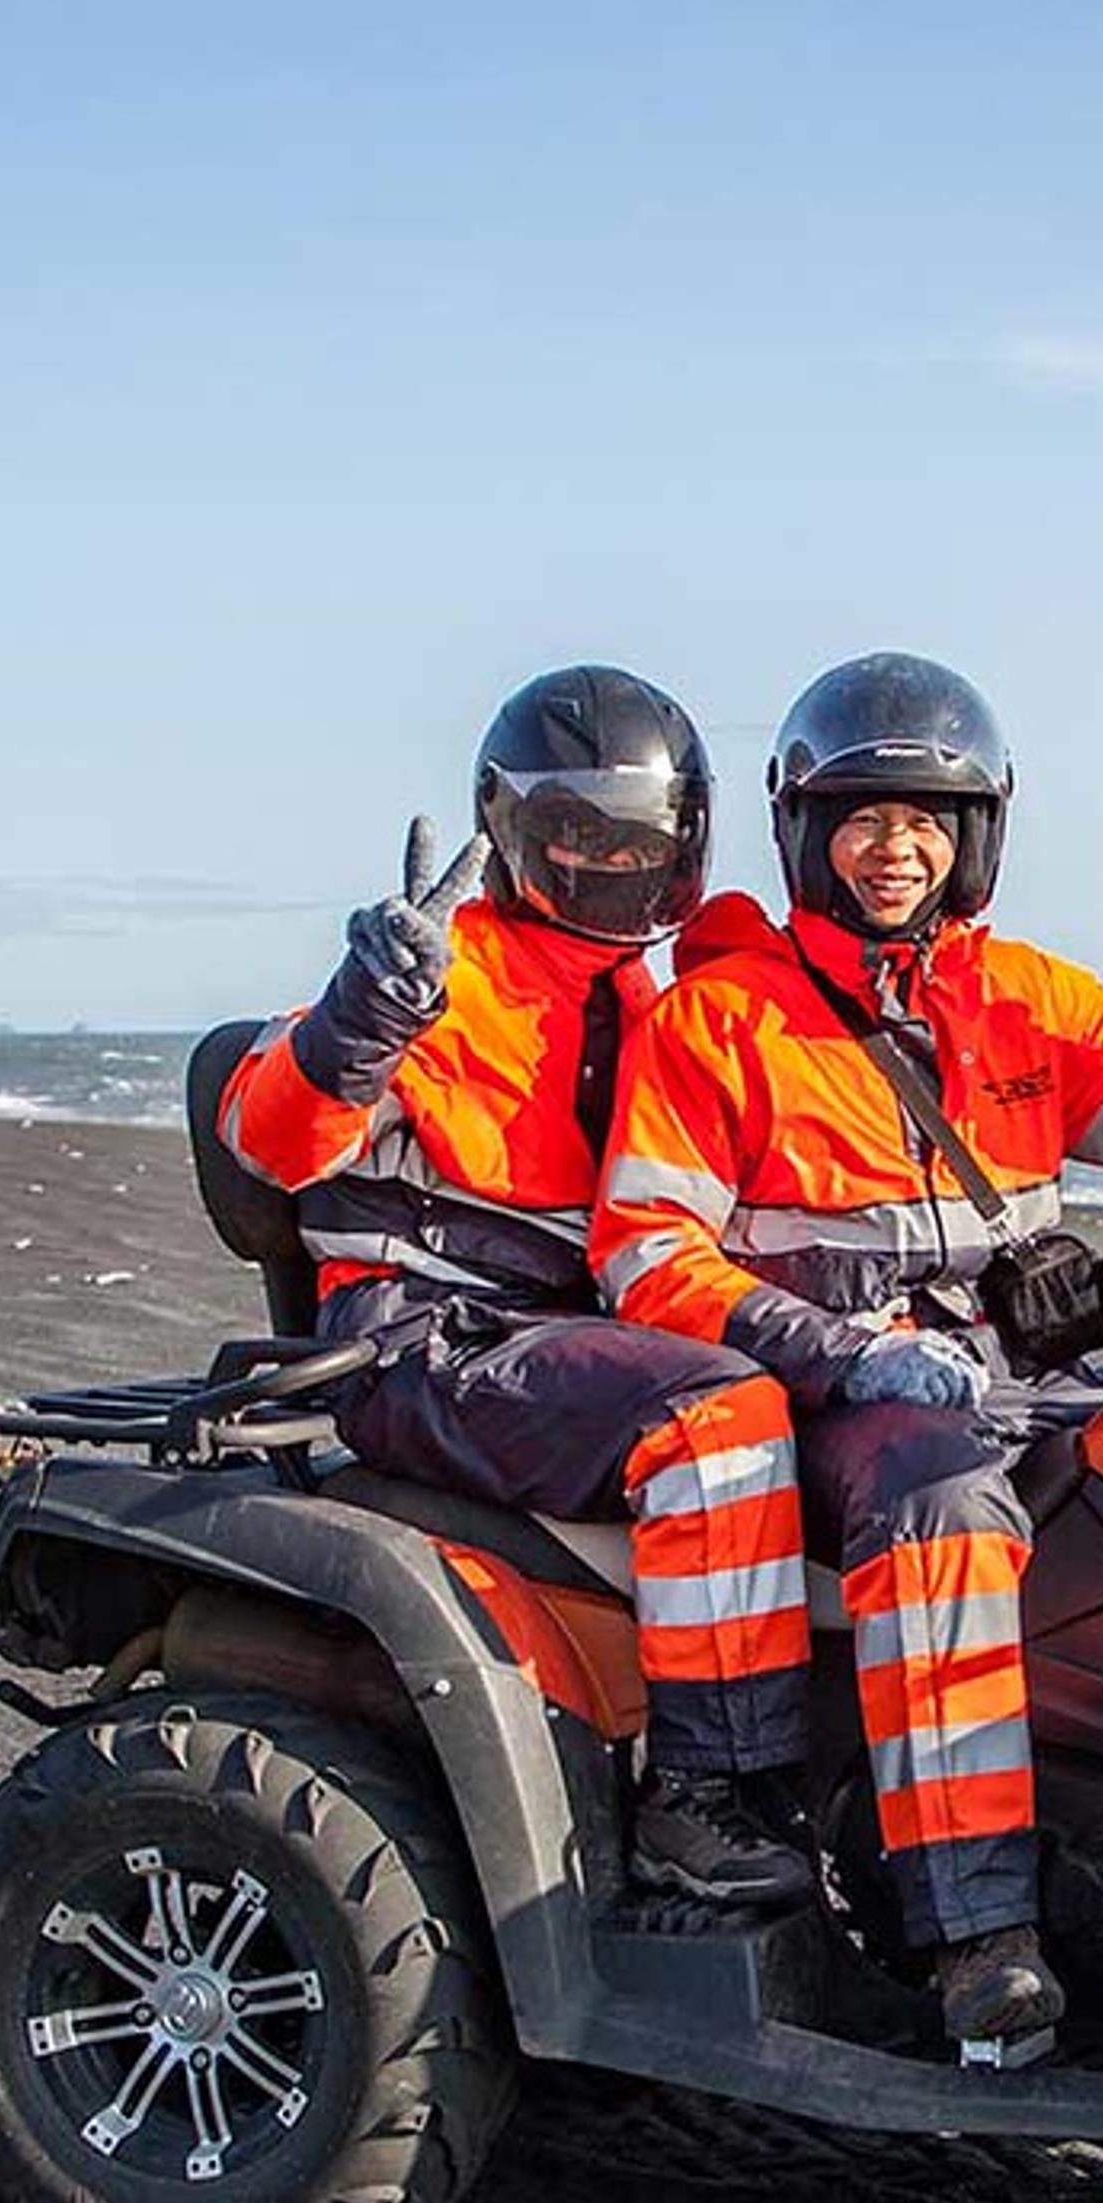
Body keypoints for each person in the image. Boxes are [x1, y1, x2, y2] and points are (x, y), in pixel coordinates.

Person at [591, 651, 1103, 2044]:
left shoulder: (1028, 999)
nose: (894, 848)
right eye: (863, 817)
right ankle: (978, 1934)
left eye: (928, 819)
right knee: (939, 1508)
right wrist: (844, 1356)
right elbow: (644, 1254)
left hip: (1005, 1374)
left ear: (976, 836)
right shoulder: (721, 1020)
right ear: (808, 831)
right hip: (830, 1393)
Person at [214, 664, 819, 1908]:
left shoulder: (666, 990)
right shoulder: (441, 979)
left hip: (573, 1343)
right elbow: (270, 1138)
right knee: (722, 1423)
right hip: (424, 1339)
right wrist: (361, 1017)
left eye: (639, 838)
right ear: (514, 831)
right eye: (575, 834)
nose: (609, 863)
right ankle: (697, 1801)